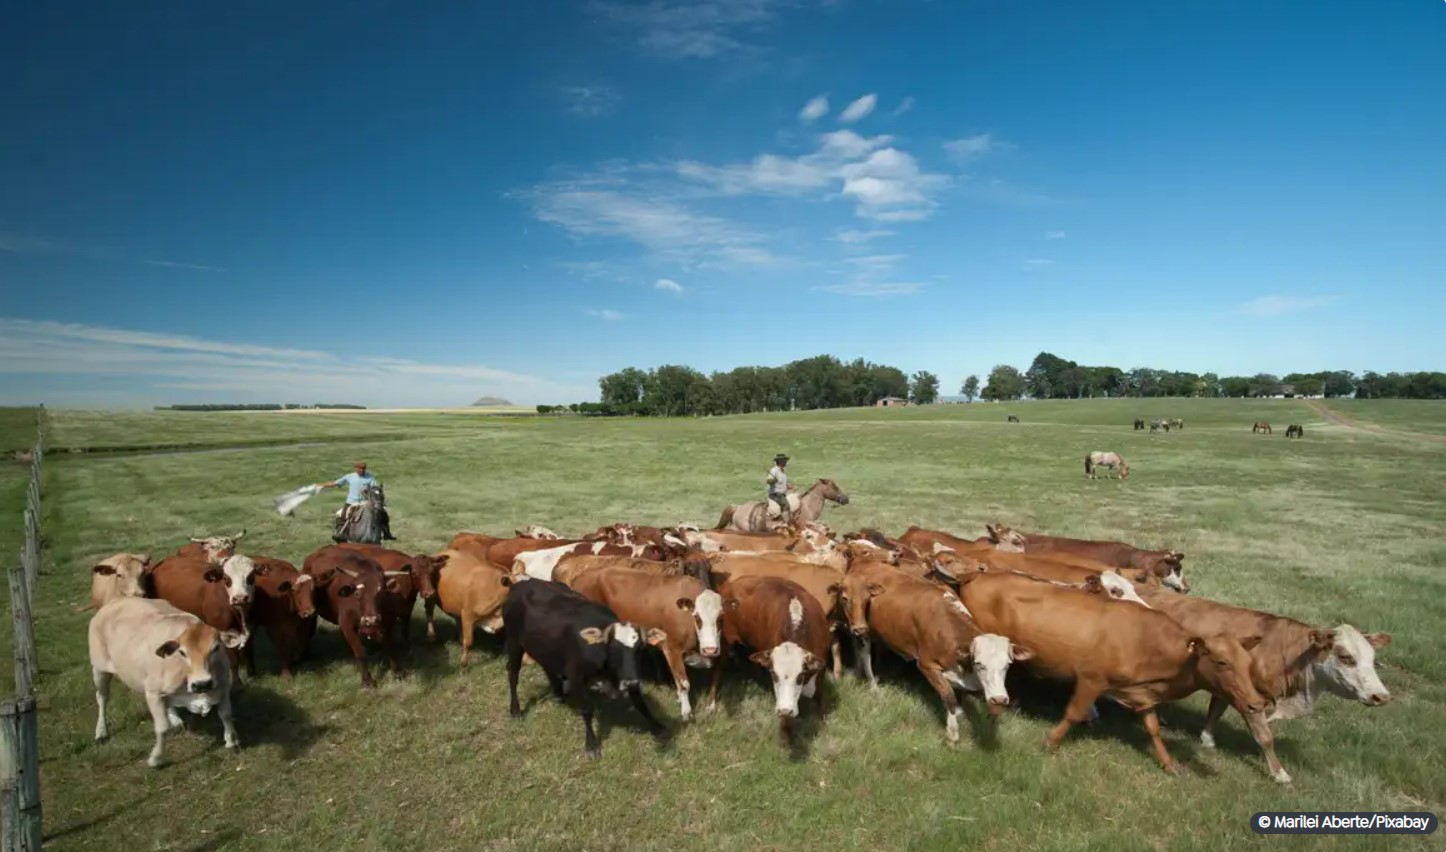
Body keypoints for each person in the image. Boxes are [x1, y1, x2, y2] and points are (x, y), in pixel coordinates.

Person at [315, 461, 395, 541]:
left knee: (382, 513)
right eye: (360, 468)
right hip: (351, 502)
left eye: (363, 469)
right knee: (342, 515)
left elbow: (375, 488)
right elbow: (335, 483)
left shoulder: (370, 477)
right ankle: (340, 534)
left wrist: (370, 494)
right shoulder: (349, 477)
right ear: (356, 468)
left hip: (365, 502)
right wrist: (322, 485)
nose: (362, 470)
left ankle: (386, 533)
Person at [765, 453, 795, 528]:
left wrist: (790, 486)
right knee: (785, 504)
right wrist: (773, 480)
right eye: (784, 461)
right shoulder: (774, 470)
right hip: (775, 494)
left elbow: (784, 484)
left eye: (785, 461)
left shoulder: (783, 472)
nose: (785, 462)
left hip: (782, 494)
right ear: (780, 461)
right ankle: (786, 523)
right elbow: (768, 481)